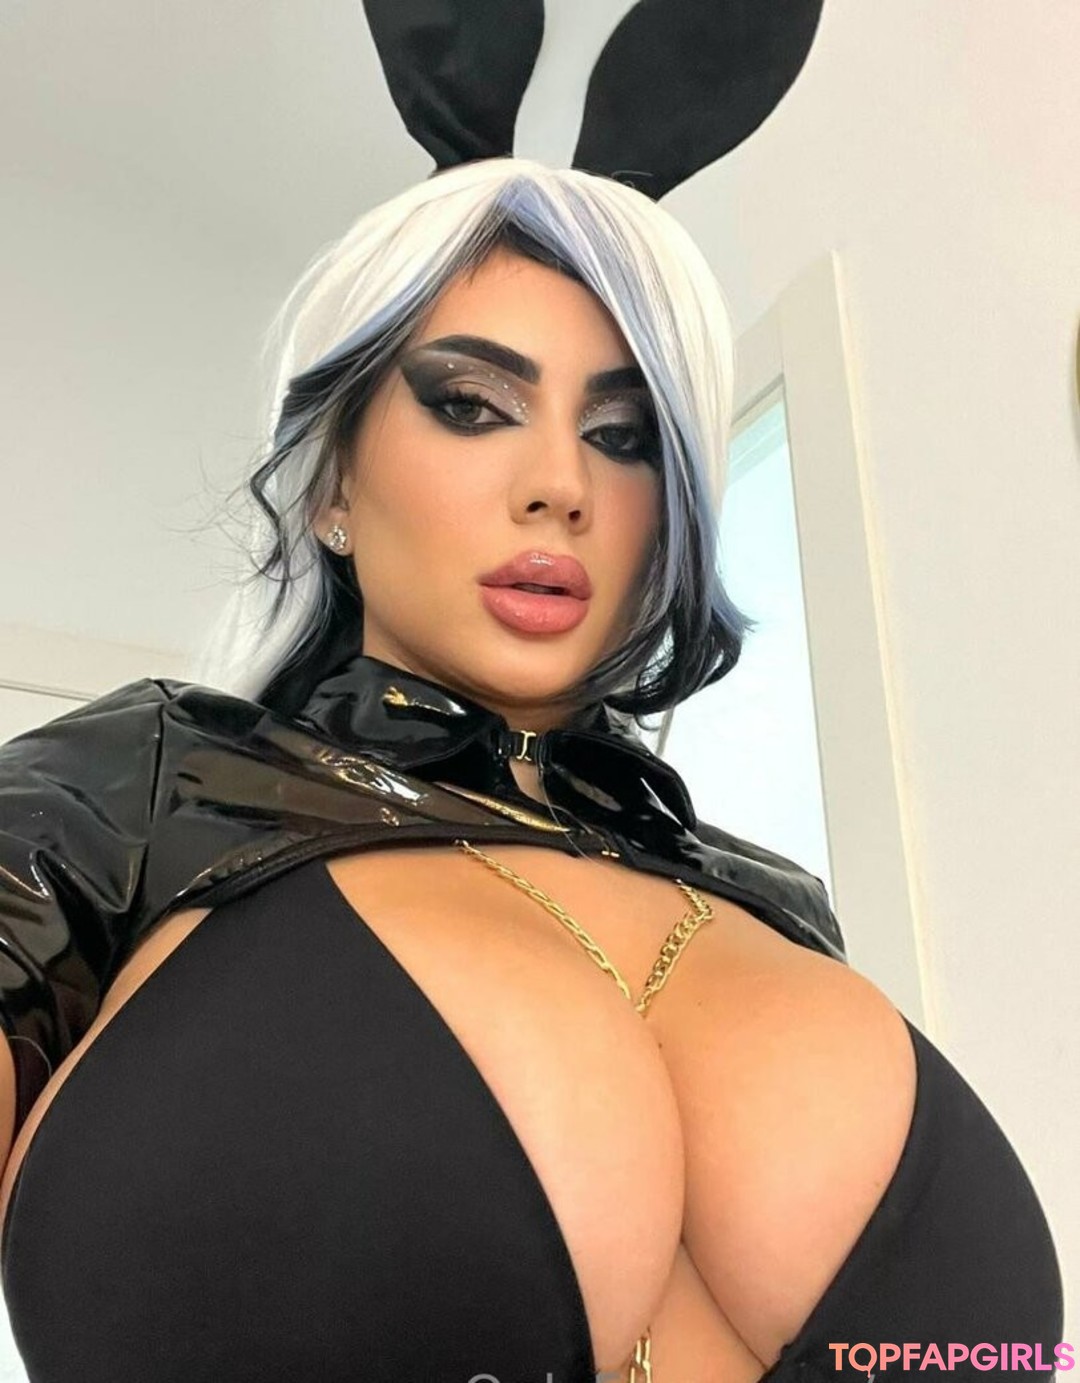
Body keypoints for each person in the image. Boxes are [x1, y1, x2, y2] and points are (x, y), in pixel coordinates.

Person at [0, 159, 1063, 1383]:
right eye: (473, 405)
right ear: (334, 481)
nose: (561, 487)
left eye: (623, 438)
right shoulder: (142, 787)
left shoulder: (776, 905)